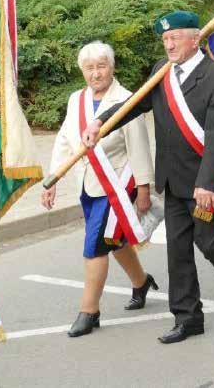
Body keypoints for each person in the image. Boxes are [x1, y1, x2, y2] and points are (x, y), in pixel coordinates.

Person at [82, 11, 214, 344]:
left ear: (195, 38)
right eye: (164, 39)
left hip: (205, 179)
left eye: (175, 37)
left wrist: (206, 184)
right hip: (173, 178)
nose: (169, 44)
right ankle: (187, 317)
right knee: (177, 250)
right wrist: (99, 123)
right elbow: (133, 105)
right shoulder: (160, 72)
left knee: (211, 243)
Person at [44, 41, 158, 338]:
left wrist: (144, 190)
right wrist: (52, 178)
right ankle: (141, 281)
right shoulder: (75, 100)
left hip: (118, 185)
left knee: (95, 245)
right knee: (113, 239)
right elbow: (65, 141)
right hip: (88, 185)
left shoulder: (127, 99)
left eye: (102, 66)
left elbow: (139, 147)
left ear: (112, 67)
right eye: (90, 68)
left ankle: (89, 310)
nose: (96, 74)